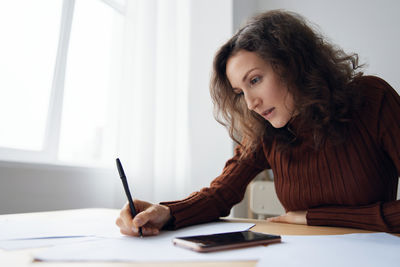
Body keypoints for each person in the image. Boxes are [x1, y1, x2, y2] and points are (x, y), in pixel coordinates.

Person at [116, 10, 400, 236]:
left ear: (292, 62)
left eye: (255, 80)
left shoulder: (373, 99)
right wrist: (165, 212)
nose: (251, 103)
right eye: (241, 92)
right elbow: (220, 195)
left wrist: (313, 217)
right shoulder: (266, 131)